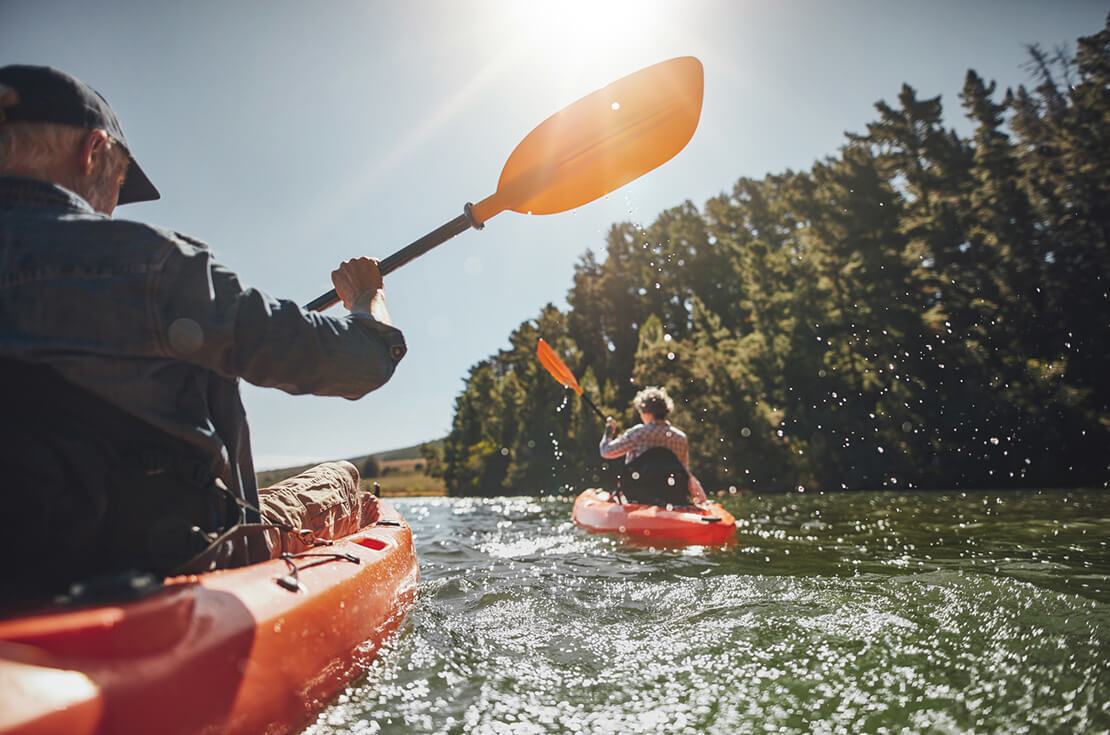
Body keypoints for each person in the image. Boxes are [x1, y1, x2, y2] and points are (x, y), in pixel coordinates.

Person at [0, 65, 407, 595]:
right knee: (344, 479)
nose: (112, 204)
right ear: (93, 153)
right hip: (180, 557)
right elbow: (362, 363)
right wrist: (367, 300)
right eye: (118, 183)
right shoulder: (157, 267)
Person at [599, 386, 708, 505]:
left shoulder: (639, 433)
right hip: (672, 495)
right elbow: (685, 471)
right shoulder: (680, 438)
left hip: (638, 494)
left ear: (646, 412)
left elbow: (606, 451)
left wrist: (609, 431)